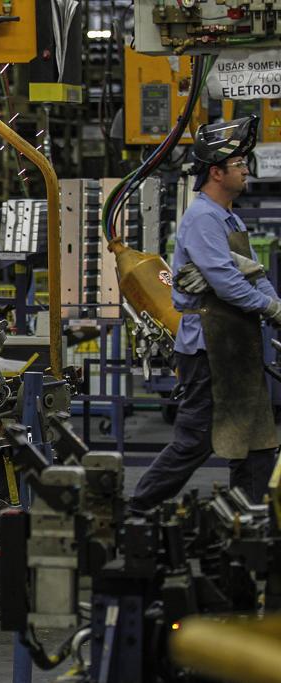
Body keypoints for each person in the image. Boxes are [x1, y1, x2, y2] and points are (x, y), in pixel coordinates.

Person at [130, 116, 281, 513]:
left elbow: (252, 272)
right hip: (207, 349)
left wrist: (275, 304)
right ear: (216, 172)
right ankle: (136, 507)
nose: (246, 169)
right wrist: (269, 307)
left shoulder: (227, 217)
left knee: (256, 437)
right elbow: (226, 282)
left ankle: (253, 514)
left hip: (234, 343)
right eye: (239, 165)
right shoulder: (202, 219)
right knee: (196, 439)